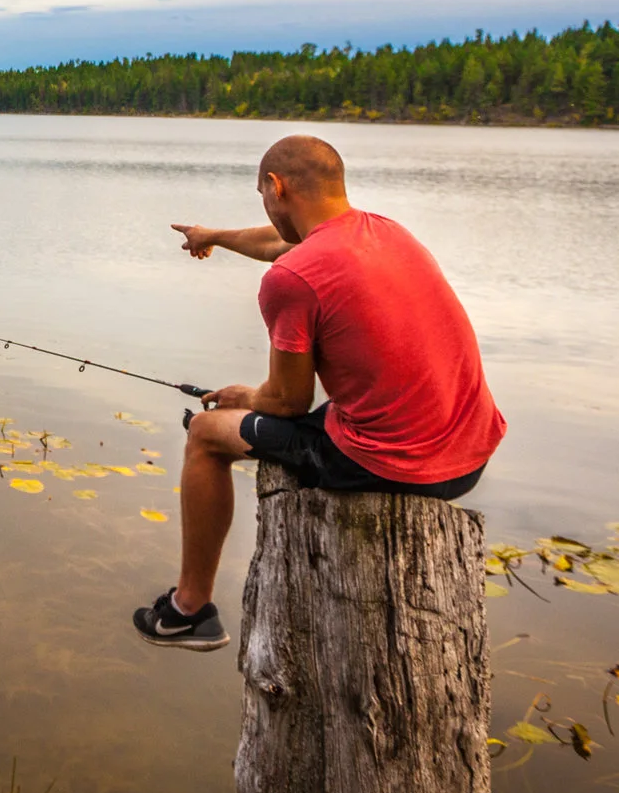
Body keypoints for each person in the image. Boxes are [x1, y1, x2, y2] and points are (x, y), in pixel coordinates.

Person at [133, 135, 504, 650]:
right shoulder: (386, 232)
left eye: (261, 194)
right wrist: (212, 234)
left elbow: (289, 402)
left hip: (395, 463)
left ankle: (188, 610)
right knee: (314, 409)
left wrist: (244, 397)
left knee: (204, 434)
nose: (263, 204)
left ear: (274, 186)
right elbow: (277, 242)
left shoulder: (291, 278)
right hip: (469, 452)